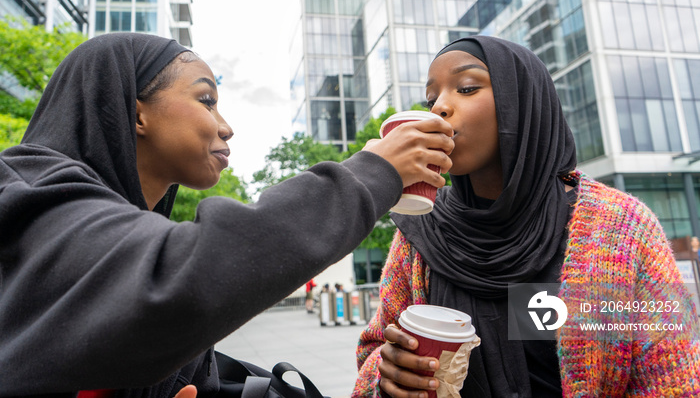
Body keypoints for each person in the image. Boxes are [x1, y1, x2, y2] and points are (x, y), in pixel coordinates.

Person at [0, 33, 455, 397]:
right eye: (205, 99)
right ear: (136, 113)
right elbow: (178, 279)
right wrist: (373, 173)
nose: (226, 125)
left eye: (469, 88)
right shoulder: (27, 191)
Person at [352, 36, 700, 397]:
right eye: (431, 98)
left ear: (521, 102)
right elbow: (373, 354)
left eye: (467, 87)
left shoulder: (621, 227)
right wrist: (388, 374)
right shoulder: (421, 232)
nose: (439, 107)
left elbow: (674, 379)